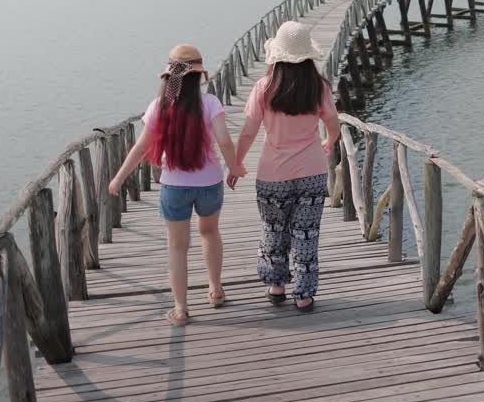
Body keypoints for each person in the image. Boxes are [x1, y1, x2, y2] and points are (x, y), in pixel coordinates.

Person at [110, 44, 245, 326]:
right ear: (199, 76)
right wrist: (235, 167)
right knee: (210, 233)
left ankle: (181, 309)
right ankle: (216, 290)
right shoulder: (210, 103)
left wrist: (120, 177)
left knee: (177, 247)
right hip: (209, 182)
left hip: (175, 187)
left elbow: (141, 147)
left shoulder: (160, 106)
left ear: (169, 76)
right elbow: (224, 140)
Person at [234, 21, 340, 312]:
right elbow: (333, 122)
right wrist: (329, 141)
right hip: (312, 172)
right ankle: (304, 294)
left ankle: (276, 285)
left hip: (273, 174)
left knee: (273, 228)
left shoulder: (264, 87)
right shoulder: (319, 87)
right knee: (307, 232)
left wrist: (235, 163)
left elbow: (248, 130)